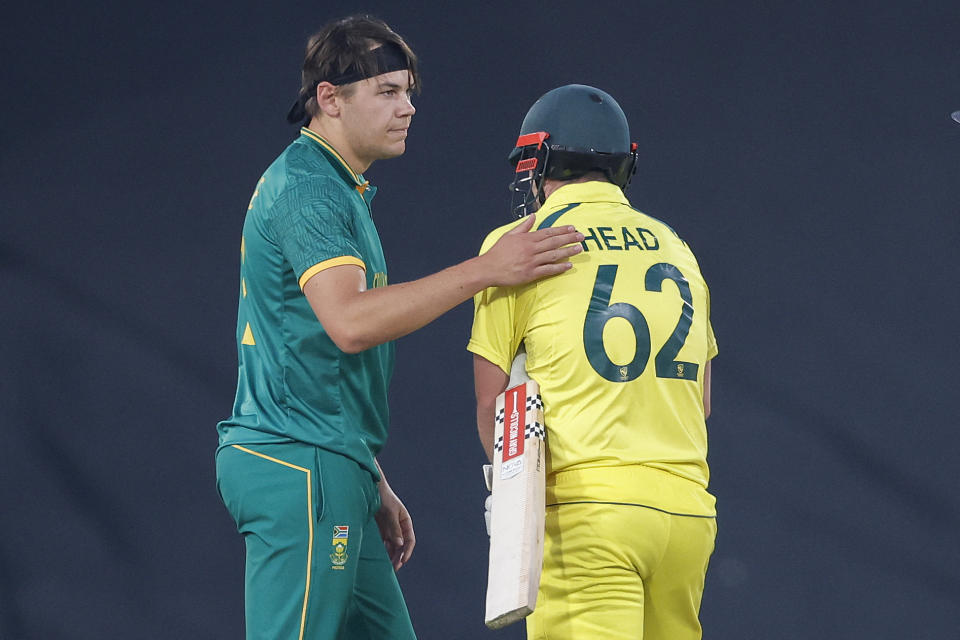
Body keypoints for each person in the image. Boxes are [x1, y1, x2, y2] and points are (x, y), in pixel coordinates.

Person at [215, 16, 584, 640]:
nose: (408, 107)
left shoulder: (333, 186)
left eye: (408, 91)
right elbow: (351, 325)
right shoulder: (310, 189)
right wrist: (488, 270)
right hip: (301, 463)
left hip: (328, 460)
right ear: (329, 98)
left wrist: (368, 474)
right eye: (387, 91)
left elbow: (309, 352)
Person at [468, 84, 718, 640]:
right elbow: (699, 401)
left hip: (588, 514)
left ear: (541, 163)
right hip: (687, 515)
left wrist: (512, 501)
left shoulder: (520, 243)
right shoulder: (677, 247)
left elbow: (493, 405)